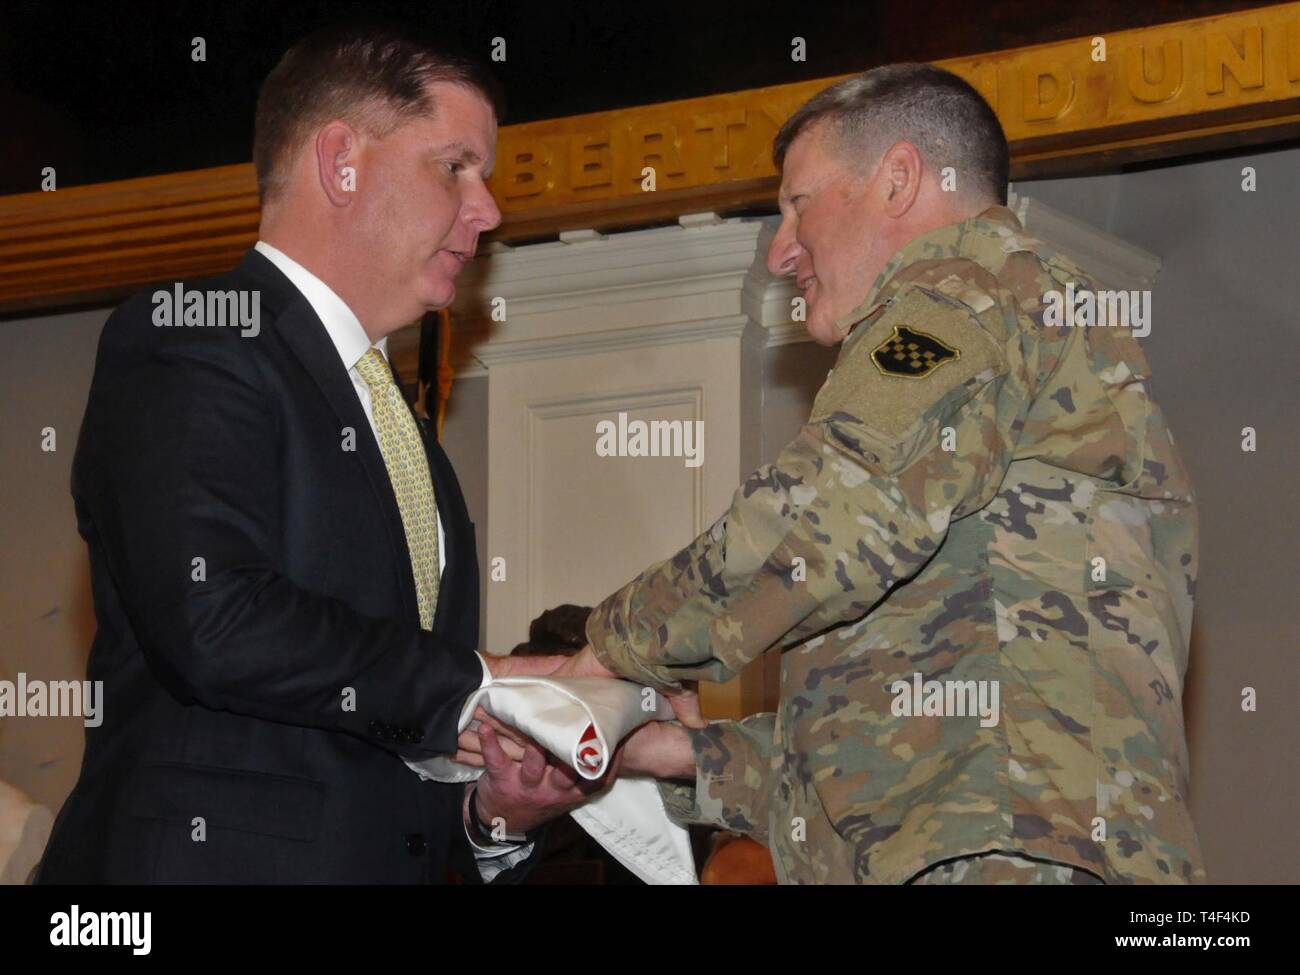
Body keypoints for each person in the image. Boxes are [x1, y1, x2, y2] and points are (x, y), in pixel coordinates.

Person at [580, 64, 1206, 884]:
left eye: (798, 205)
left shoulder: (965, 288)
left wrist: (609, 652)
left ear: (899, 179)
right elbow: (894, 742)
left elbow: (825, 519)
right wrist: (686, 755)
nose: (778, 252)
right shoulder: (1018, 317)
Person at [37, 20, 597, 884]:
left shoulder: (407, 432)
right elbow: (212, 616)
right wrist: (480, 680)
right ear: (341, 160)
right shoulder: (190, 334)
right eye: (456, 166)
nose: (488, 209)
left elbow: (374, 742)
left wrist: (491, 813)